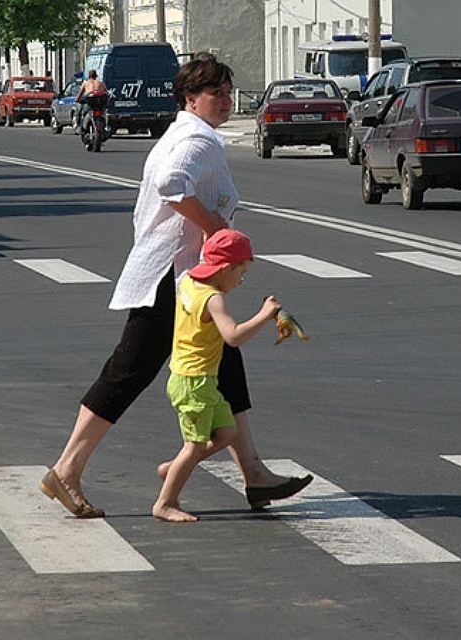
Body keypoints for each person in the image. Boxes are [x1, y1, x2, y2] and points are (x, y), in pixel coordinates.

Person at [40, 52, 311, 519]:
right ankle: (67, 469)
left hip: (183, 275)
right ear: (191, 98)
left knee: (225, 363)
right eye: (215, 93)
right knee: (129, 370)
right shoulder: (195, 140)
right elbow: (170, 183)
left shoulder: (188, 134)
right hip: (172, 277)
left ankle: (253, 473)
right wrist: (213, 230)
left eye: (228, 92)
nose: (225, 101)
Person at [153, 229, 307, 522]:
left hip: (193, 377)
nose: (240, 281)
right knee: (195, 445)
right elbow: (232, 337)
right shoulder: (213, 300)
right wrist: (265, 314)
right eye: (241, 273)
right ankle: (165, 502)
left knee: (227, 433)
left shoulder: (188, 282)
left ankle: (174, 467)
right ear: (225, 269)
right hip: (193, 382)